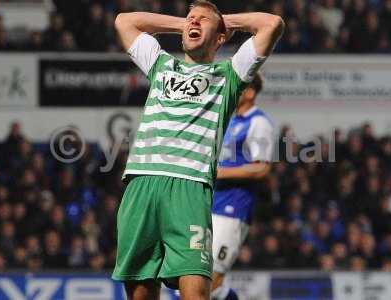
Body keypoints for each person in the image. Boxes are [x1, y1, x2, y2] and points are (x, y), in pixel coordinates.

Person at [112, 1, 284, 300]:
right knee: (140, 293)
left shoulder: (229, 74)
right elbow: (125, 21)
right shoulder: (160, 64)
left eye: (202, 20)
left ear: (220, 37)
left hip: (189, 188)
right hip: (141, 183)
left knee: (196, 291)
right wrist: (186, 23)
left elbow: (272, 24)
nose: (194, 22)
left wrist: (220, 22)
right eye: (191, 18)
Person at [211, 74, 274, 300]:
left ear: (249, 92)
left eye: (238, 87)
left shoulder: (258, 122)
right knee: (194, 283)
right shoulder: (230, 119)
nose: (232, 90)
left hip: (233, 209)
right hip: (211, 205)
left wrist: (220, 173)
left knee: (210, 282)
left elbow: (262, 168)